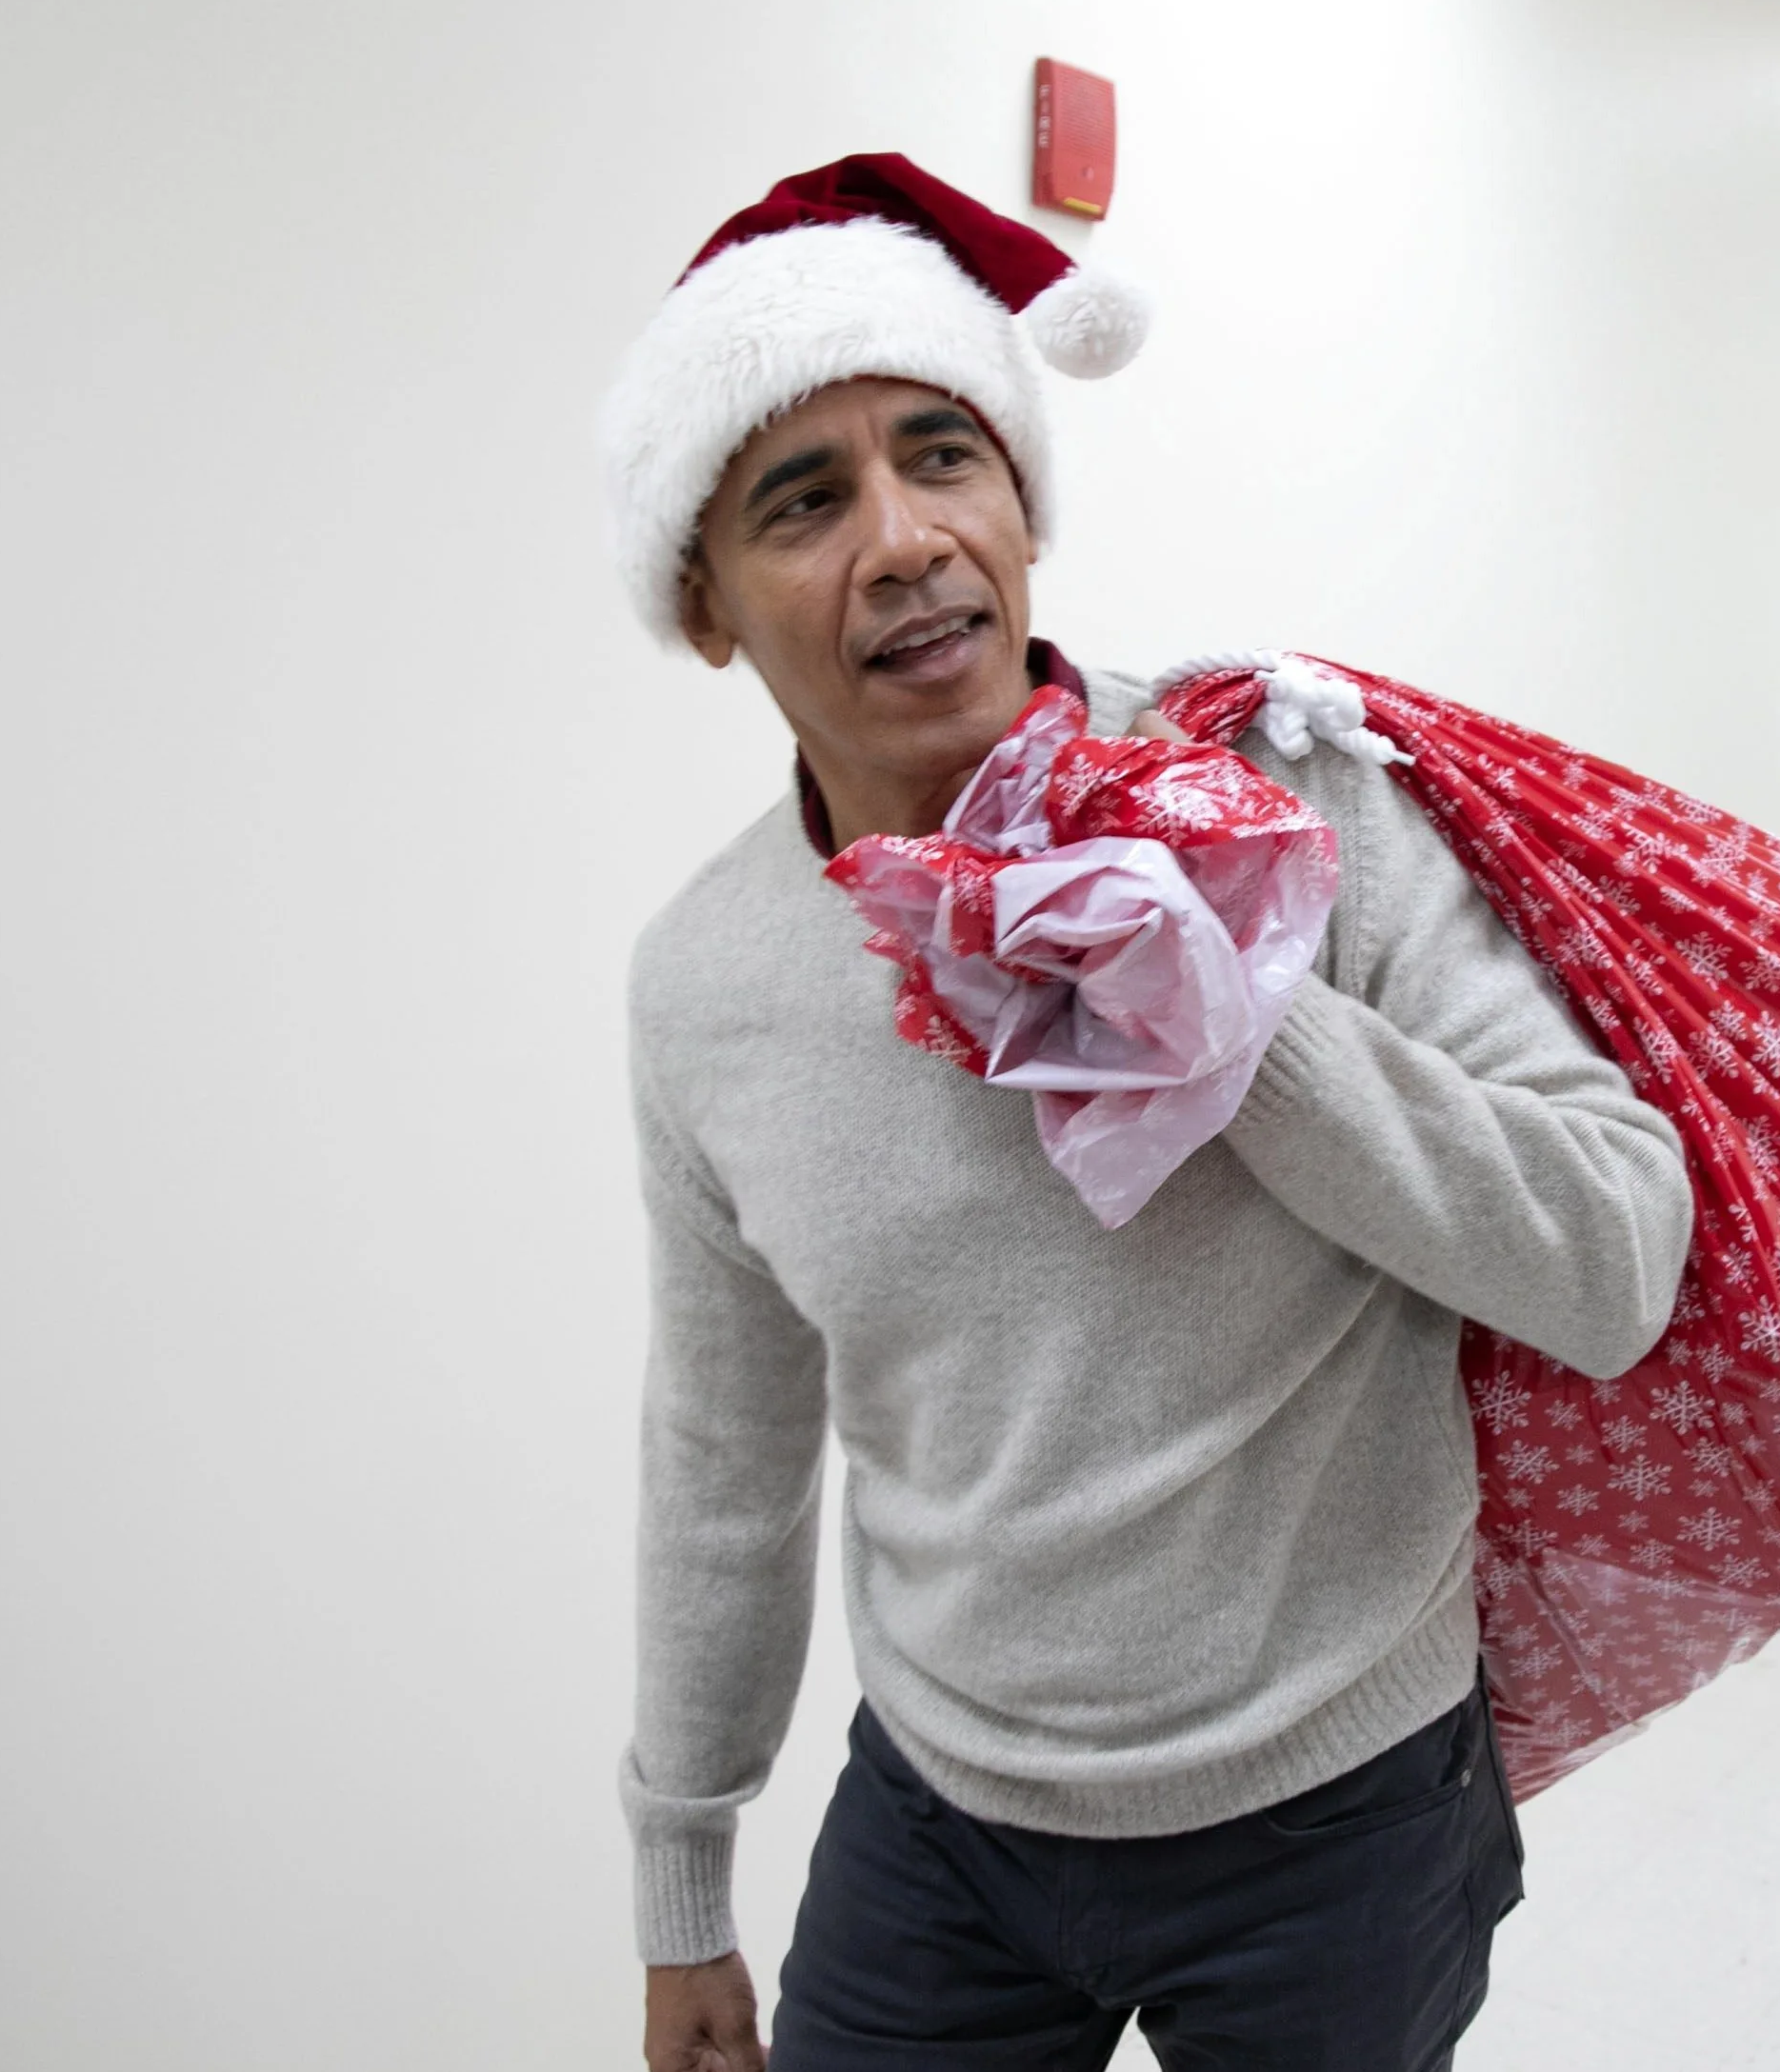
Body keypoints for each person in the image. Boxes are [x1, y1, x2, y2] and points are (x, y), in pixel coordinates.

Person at [596, 156, 1693, 2072]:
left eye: (943, 454)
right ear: (705, 606)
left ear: (1022, 495)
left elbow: (1611, 1255)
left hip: (1337, 1816)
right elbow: (722, 1461)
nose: (902, 540)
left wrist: (1236, 1024)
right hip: (941, 1818)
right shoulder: (707, 985)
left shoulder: (1286, 788)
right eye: (802, 499)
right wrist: (680, 1887)